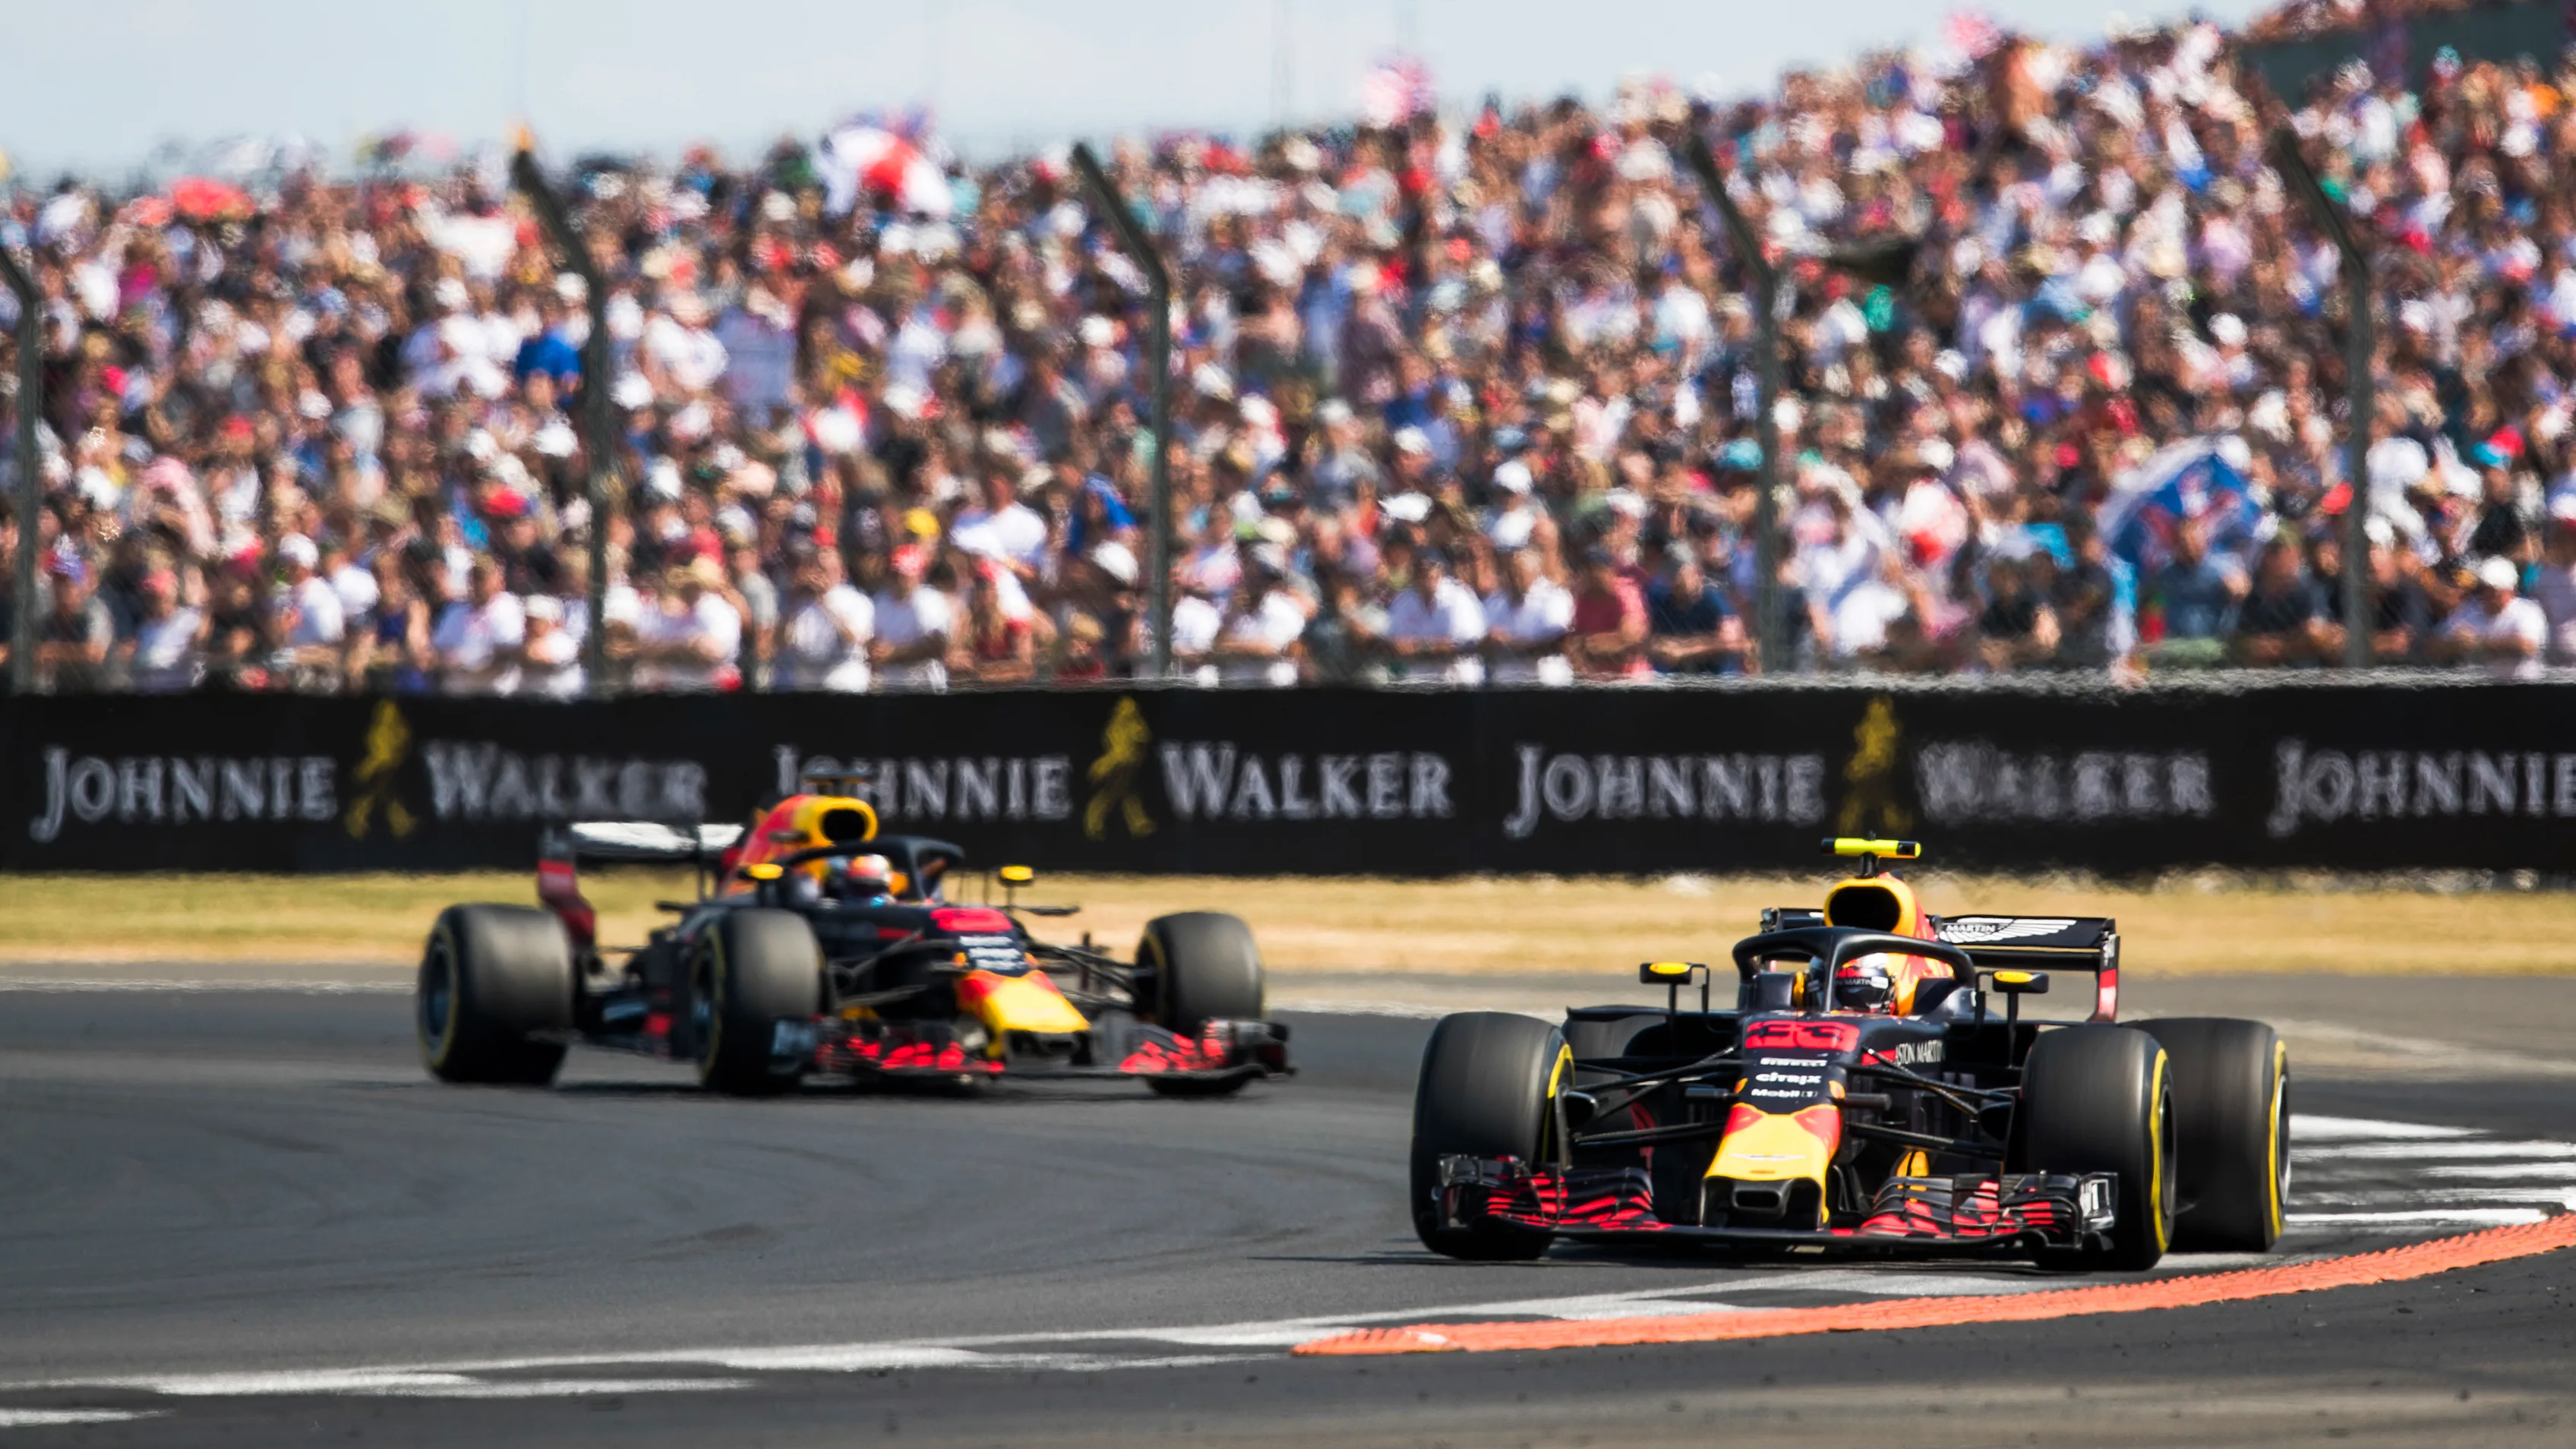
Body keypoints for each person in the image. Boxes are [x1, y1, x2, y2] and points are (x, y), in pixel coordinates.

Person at [774, 548, 873, 692]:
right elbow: (780, 643)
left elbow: (854, 639)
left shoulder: (856, 600)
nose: (820, 575)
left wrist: (825, 601)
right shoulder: (800, 600)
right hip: (806, 677)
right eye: (817, 568)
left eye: (827, 570)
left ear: (842, 573)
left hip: (842, 676)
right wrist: (794, 604)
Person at [1382, 548, 1486, 683]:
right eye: (1420, 570)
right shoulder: (1405, 599)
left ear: (1441, 572)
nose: (1425, 576)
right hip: (1420, 679)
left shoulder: (1458, 597)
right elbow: (1395, 640)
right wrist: (1400, 646)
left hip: (1457, 678)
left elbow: (1465, 644)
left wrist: (1420, 647)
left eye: (1430, 569)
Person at [2436, 557, 2546, 680]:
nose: (2488, 595)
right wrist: (2455, 645)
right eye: (2485, 589)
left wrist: (2478, 643)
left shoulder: (2527, 611)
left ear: (2511, 590)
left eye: (2494, 591)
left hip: (2520, 685)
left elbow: (2527, 647)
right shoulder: (2468, 610)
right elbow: (2433, 647)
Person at [431, 557, 526, 694]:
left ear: (500, 581)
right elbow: (438, 649)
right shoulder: (455, 610)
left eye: (483, 578)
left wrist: (470, 665)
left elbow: (506, 653)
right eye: (474, 578)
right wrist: (449, 660)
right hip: (458, 693)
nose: (478, 584)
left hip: (494, 693)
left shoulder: (509, 607)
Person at [1483, 544, 1575, 685]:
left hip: (1546, 684)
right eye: (1509, 572)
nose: (1512, 578)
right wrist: (1487, 642)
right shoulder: (1496, 601)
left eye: (1518, 572)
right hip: (1505, 686)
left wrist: (1508, 643)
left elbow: (1556, 643)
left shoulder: (1554, 597)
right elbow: (1480, 641)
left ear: (1535, 571)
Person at [1646, 548, 1744, 675]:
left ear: (1696, 574)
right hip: (1674, 677)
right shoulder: (1661, 599)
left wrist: (1685, 649)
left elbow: (1732, 643)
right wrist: (1661, 647)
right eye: (1671, 571)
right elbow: (1645, 639)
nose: (1675, 578)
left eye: (1680, 572)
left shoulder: (1713, 599)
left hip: (1715, 677)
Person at [871, 544, 953, 691]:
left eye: (904, 575)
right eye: (895, 574)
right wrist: (875, 650)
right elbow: (872, 638)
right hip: (891, 685)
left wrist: (895, 653)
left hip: (925, 685)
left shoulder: (929, 600)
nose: (899, 580)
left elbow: (937, 645)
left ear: (918, 575)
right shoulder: (880, 601)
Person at [1567, 545, 1648, 679]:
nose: (1594, 575)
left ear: (1611, 570)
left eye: (1598, 569)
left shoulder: (1626, 592)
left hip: (1630, 678)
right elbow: (1574, 644)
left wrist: (1590, 643)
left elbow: (1631, 637)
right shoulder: (1583, 598)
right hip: (1596, 678)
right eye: (1588, 570)